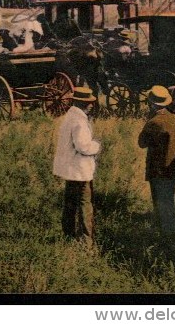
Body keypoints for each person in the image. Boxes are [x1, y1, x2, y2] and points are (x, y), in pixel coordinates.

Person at [138, 86, 175, 235]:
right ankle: (165, 227)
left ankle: (168, 230)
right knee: (169, 197)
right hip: (174, 168)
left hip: (157, 168)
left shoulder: (153, 122)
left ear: (152, 104)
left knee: (160, 199)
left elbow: (141, 143)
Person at [52, 86, 100, 245]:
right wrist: (97, 146)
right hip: (80, 170)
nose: (91, 104)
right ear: (80, 102)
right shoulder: (79, 121)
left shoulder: (69, 116)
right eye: (88, 102)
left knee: (70, 203)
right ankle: (86, 242)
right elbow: (83, 147)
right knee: (85, 205)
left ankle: (68, 235)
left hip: (70, 169)